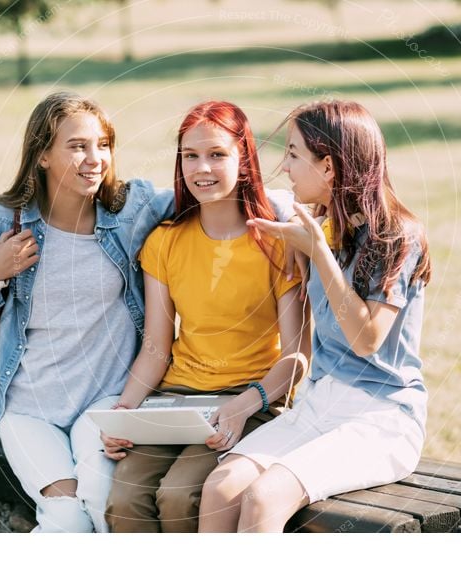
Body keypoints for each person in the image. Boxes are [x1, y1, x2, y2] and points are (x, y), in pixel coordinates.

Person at [0, 92, 296, 533]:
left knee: (102, 505)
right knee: (66, 518)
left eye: (103, 145)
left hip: (104, 400)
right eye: (77, 146)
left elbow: (205, 187)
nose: (95, 159)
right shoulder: (8, 221)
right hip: (30, 406)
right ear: (41, 155)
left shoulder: (128, 210)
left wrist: (282, 208)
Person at [198, 100, 433, 533]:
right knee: (220, 489)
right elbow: (251, 195)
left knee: (263, 497)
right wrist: (308, 241)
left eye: (292, 154)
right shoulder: (320, 222)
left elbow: (366, 339)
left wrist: (316, 250)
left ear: (328, 168)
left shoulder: (397, 236)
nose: (284, 167)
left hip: (383, 416)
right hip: (322, 401)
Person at [101, 101, 311, 533]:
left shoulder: (277, 244)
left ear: (245, 160)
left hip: (251, 400)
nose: (202, 168)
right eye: (191, 156)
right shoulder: (164, 242)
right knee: (123, 498)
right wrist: (125, 413)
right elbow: (157, 347)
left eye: (217, 154)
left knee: (179, 497)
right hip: (177, 400)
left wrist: (243, 405)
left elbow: (296, 359)